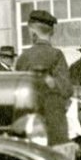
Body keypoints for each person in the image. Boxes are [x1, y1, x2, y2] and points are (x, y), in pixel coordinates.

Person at [15, 10, 71, 144]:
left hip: (29, 125)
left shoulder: (23, 57)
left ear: (33, 33)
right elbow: (67, 89)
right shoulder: (56, 55)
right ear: (52, 32)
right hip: (54, 125)